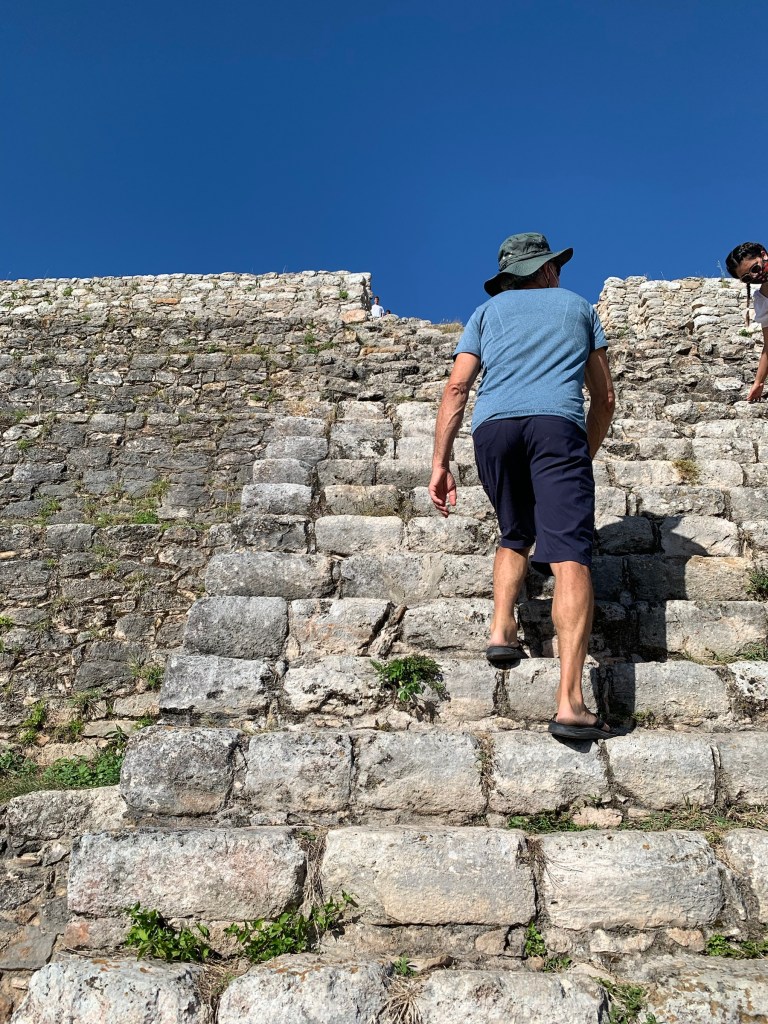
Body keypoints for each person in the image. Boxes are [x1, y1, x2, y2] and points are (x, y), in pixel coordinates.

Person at [428, 232, 618, 741]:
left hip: (493, 429)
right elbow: (604, 398)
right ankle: (571, 704)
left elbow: (456, 387)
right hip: (557, 427)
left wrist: (440, 463)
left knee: (514, 530)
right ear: (547, 270)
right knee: (570, 554)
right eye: (556, 267)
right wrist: (580, 453)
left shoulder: (485, 313)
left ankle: (501, 629)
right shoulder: (579, 307)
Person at [725, 242, 768, 402]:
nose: (755, 277)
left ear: (763, 255)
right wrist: (759, 382)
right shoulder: (764, 300)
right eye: (748, 278)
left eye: (755, 269)